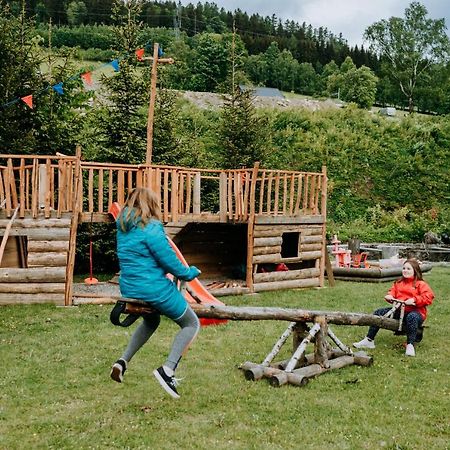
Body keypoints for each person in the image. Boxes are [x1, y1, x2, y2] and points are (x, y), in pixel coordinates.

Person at [110, 187, 201, 399]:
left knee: (151, 322)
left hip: (130, 287)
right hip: (153, 289)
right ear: (149, 204)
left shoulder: (123, 227)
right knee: (191, 324)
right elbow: (168, 260)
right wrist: (188, 273)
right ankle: (167, 370)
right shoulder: (151, 227)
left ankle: (122, 362)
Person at [353, 258, 434, 357]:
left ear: (415, 271)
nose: (405, 270)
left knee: (412, 317)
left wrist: (414, 300)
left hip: (416, 312)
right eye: (404, 268)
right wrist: (389, 297)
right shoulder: (399, 283)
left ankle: (410, 345)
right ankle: (369, 340)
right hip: (400, 310)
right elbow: (392, 292)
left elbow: (428, 297)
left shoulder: (421, 284)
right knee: (378, 312)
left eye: (408, 269)